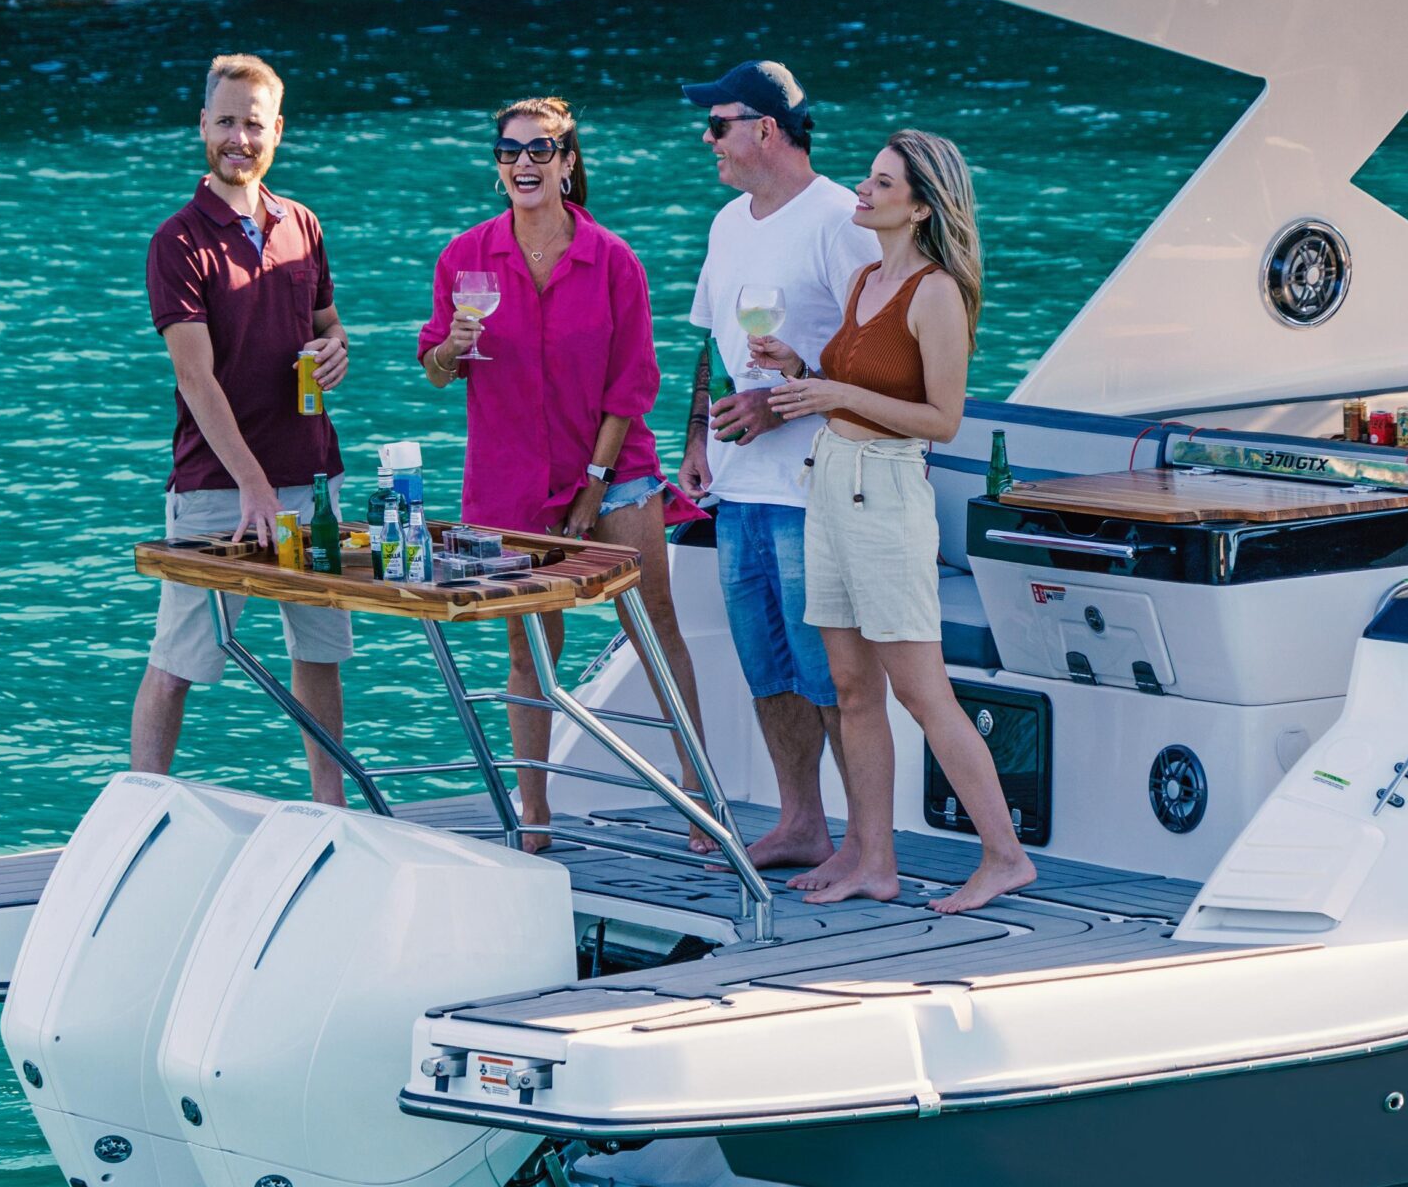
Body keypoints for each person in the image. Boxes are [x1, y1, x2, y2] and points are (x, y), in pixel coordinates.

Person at [747, 131, 1037, 915]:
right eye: (867, 181)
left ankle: (1004, 856)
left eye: (879, 185)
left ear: (919, 204)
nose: (862, 194)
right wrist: (801, 374)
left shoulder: (936, 293)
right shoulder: (868, 279)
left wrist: (835, 396)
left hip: (887, 495)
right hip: (832, 483)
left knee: (921, 690)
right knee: (849, 686)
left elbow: (942, 420)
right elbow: (849, 384)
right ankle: (874, 859)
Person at [418, 97, 710, 853]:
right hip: (510, 482)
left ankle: (698, 795)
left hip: (613, 474)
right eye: (510, 151)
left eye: (541, 150)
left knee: (654, 626)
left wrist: (590, 485)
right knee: (528, 650)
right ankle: (536, 815)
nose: (524, 163)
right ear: (497, 168)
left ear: (568, 163)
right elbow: (437, 372)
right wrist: (452, 343)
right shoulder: (464, 258)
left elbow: (633, 385)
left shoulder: (613, 260)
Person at [676, 59, 880, 875]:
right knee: (767, 664)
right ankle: (804, 823)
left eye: (718, 124)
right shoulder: (729, 222)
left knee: (829, 670)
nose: (707, 139)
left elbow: (875, 359)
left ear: (766, 128)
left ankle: (866, 839)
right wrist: (698, 437)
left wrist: (775, 404)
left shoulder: (842, 220)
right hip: (738, 486)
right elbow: (708, 341)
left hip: (815, 486)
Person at [134, 52, 355, 803]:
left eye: (253, 124)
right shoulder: (178, 242)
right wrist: (255, 488)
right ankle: (139, 809)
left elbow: (329, 327)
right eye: (225, 121)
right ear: (203, 125)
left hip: (313, 481)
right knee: (180, 660)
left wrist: (336, 350)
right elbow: (194, 378)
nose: (239, 137)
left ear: (277, 132)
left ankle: (332, 808)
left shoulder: (304, 225)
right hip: (217, 490)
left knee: (319, 653)